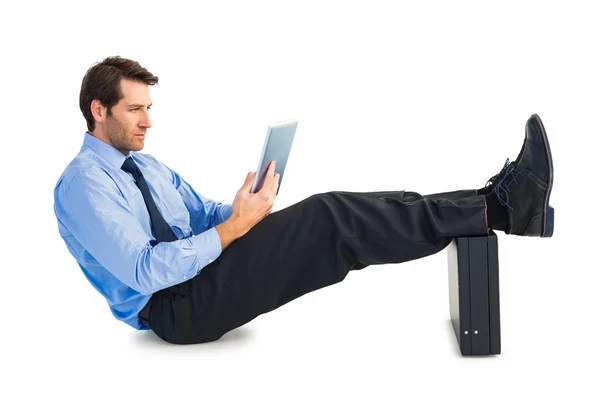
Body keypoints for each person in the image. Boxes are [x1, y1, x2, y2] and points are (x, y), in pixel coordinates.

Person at [53, 56, 555, 345]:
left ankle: (491, 202)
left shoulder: (146, 164)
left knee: (334, 211)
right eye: (134, 109)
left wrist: (242, 210)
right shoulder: (83, 184)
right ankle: (503, 208)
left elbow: (203, 215)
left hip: (202, 274)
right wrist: (232, 230)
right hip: (174, 310)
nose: (147, 121)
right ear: (99, 110)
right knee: (331, 218)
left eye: (149, 108)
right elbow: (144, 271)